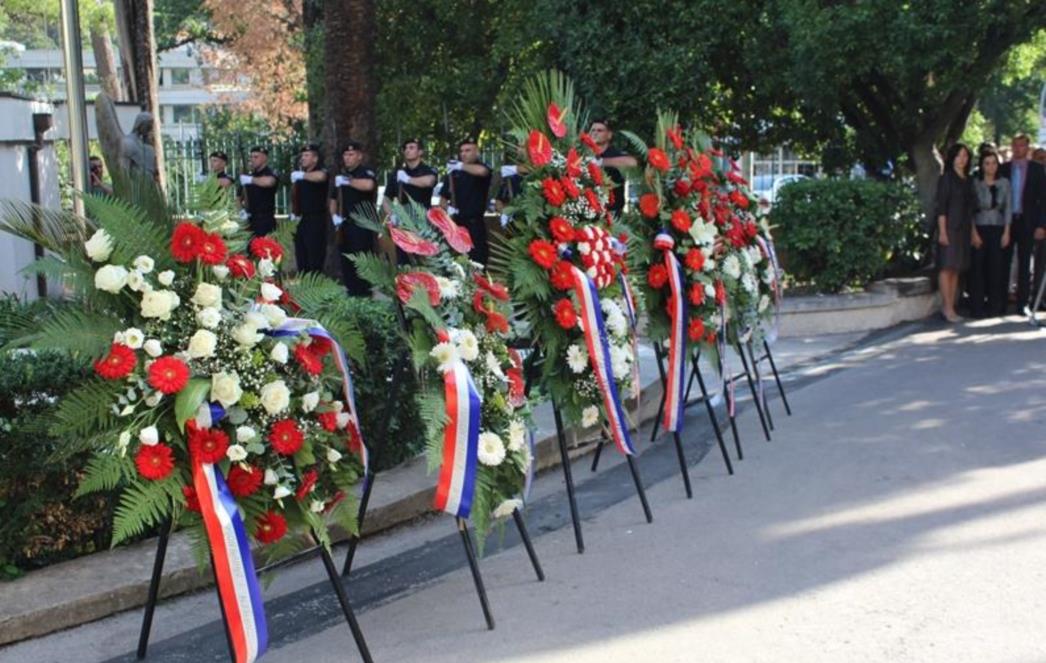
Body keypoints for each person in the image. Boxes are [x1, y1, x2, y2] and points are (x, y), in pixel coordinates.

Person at [998, 134, 1046, 312]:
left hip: (1028, 222)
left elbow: (1043, 199)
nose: (1018, 148)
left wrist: (1042, 225)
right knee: (1004, 261)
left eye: (1022, 146)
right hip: (1007, 223)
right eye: (1015, 145)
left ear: (1028, 148)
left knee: (1025, 263)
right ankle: (1001, 301)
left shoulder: (1037, 169)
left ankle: (1022, 303)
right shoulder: (1003, 169)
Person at [330, 141, 378, 296]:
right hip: (344, 224)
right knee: (346, 262)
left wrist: (348, 181)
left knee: (362, 262)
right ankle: (352, 292)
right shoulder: (341, 175)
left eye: (351, 154)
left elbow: (368, 186)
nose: (348, 158)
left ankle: (364, 293)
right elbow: (333, 199)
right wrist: (334, 217)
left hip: (362, 226)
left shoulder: (365, 172)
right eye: (345, 155)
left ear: (359, 156)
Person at [934, 142, 975, 322]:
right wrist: (942, 232)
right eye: (959, 155)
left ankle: (952, 306)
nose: (962, 159)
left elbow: (971, 210)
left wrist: (973, 232)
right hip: (949, 227)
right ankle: (947, 307)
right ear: (952, 157)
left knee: (956, 268)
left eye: (965, 155)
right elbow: (941, 208)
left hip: (964, 229)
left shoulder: (968, 180)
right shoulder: (946, 178)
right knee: (946, 267)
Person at [968, 150, 1012, 318]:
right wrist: (973, 232)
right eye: (987, 163)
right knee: (978, 268)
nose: (991, 166)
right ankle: (977, 307)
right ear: (981, 165)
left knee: (996, 267)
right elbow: (970, 210)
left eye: (994, 163)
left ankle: (995, 306)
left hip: (998, 227)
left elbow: (1008, 207)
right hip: (979, 226)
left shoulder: (1004, 183)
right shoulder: (975, 183)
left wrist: (1007, 232)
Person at [441, 138, 492, 264]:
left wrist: (461, 166)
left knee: (478, 259)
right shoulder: (454, 173)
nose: (463, 153)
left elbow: (483, 172)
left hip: (474, 222)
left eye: (468, 150)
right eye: (462, 151)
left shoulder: (480, 168)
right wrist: (448, 210)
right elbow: (443, 199)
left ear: (477, 152)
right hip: (456, 222)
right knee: (458, 260)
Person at [290, 144, 330, 274]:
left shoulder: (319, 172)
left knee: (315, 257)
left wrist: (301, 176)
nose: (303, 158)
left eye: (307, 155)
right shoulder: (301, 174)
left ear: (315, 159)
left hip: (316, 219)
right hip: (301, 219)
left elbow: (321, 177)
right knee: (302, 257)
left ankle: (316, 289)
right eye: (302, 156)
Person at [588, 118, 637, 217]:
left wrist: (601, 162)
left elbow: (632, 162)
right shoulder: (584, 152)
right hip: (589, 210)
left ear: (609, 135)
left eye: (599, 130)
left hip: (612, 213)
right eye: (593, 130)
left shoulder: (615, 153)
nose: (595, 133)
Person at [383, 138, 438, 214]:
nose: (407, 150)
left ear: (420, 152)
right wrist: (392, 215)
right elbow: (386, 199)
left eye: (411, 147)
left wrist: (407, 179)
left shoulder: (427, 170)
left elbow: (429, 181)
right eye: (405, 148)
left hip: (423, 220)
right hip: (404, 220)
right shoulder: (397, 173)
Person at [239, 147, 279, 236]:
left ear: (264, 158)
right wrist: (242, 211)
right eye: (251, 157)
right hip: (250, 220)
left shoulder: (270, 173)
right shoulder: (249, 176)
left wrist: (251, 180)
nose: (252, 160)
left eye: (256, 157)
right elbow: (239, 197)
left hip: (265, 220)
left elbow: (269, 182)